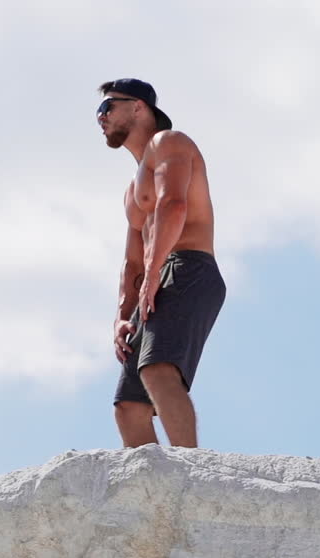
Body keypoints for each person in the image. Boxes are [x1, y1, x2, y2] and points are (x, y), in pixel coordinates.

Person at [97, 78, 226, 448]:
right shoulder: (130, 192)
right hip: (154, 280)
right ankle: (152, 491)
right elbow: (131, 259)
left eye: (107, 108)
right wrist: (122, 315)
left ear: (138, 107)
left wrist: (154, 275)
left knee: (157, 369)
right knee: (128, 406)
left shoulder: (169, 143)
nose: (101, 119)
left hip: (188, 268)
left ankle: (192, 470)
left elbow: (174, 205)